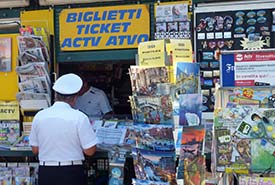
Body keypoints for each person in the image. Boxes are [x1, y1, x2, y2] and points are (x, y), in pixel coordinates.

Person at [29, 73, 97, 185]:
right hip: (71, 172)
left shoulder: (39, 116)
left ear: (55, 95)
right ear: (75, 98)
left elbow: (35, 150)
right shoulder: (79, 117)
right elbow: (90, 151)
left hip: (46, 171)